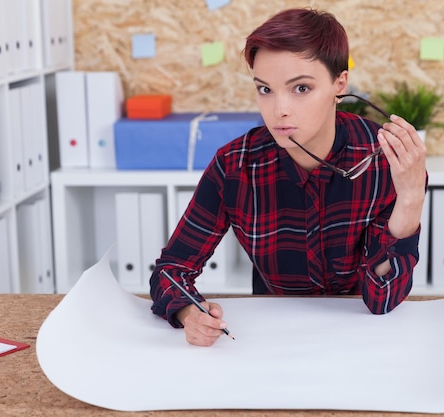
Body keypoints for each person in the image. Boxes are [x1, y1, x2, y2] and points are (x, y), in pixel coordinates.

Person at [150, 7, 427, 347]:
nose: (279, 109)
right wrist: (188, 313)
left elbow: (382, 300)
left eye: (300, 89)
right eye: (265, 90)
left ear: (339, 84)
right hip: (270, 342)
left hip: (361, 339)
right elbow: (170, 271)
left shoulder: (386, 161)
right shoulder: (233, 166)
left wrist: (411, 200)